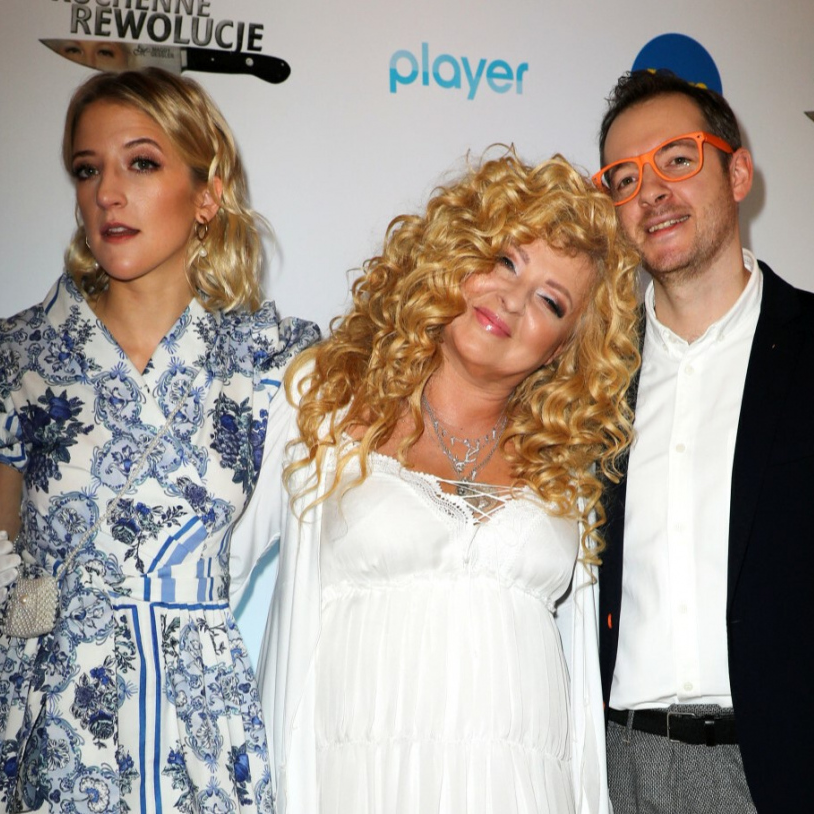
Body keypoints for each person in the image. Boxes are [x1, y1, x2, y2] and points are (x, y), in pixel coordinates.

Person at [0, 67, 318, 814]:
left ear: (207, 194)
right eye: (88, 169)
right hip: (31, 711)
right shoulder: (19, 355)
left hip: (193, 720)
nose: (108, 192)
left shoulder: (271, 361)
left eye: (141, 163)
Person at [590, 69, 814, 813]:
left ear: (738, 173)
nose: (651, 190)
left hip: (787, 778)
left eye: (678, 159)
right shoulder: (590, 378)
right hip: (614, 772)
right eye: (625, 178)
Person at [242, 152, 641, 814]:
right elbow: (207, 579)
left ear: (564, 346)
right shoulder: (323, 399)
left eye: (550, 301)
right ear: (459, 252)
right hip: (357, 787)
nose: (512, 301)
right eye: (506, 261)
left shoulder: (568, 468)